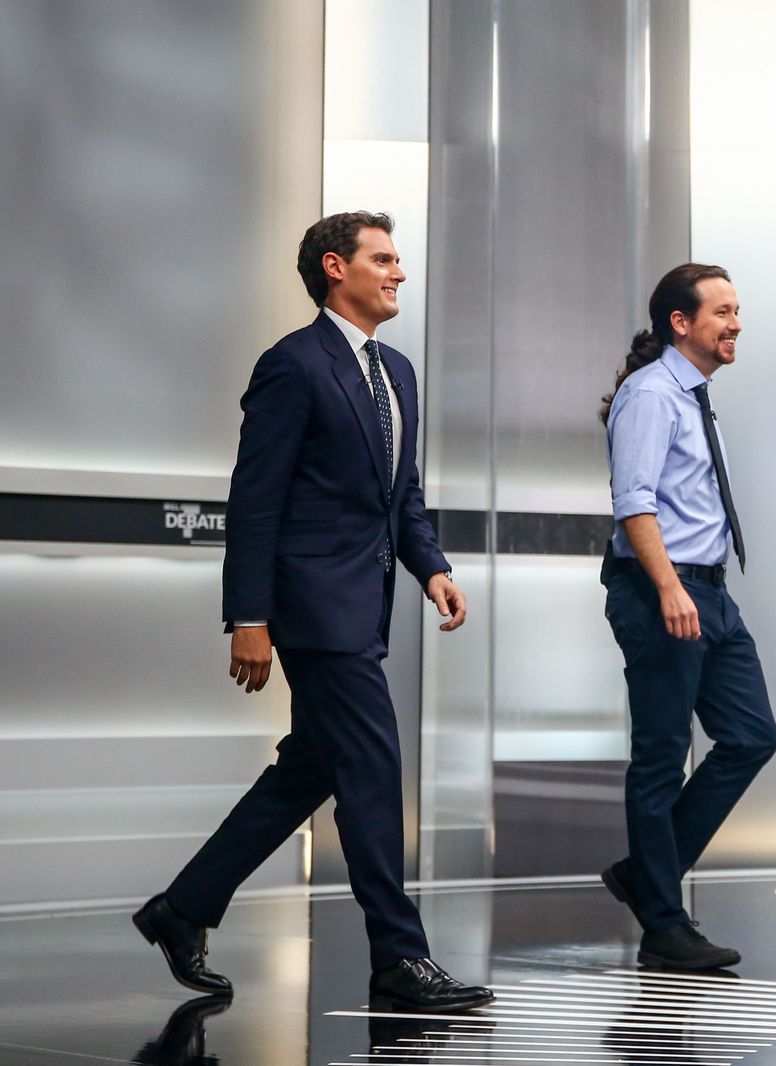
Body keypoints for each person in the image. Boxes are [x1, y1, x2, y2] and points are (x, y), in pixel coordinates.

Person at [133, 212, 492, 1013]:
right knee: (373, 768)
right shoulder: (292, 365)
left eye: (399, 260)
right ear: (336, 268)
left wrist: (431, 567)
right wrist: (249, 617)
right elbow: (254, 500)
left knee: (315, 769)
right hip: (311, 608)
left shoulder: (396, 371)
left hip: (366, 605)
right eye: (384, 259)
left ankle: (181, 909)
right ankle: (400, 958)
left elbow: (402, 498)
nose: (400, 273)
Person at [596, 262, 776, 970]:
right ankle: (664, 923)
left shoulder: (696, 397)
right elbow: (634, 502)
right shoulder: (651, 396)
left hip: (711, 590)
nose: (736, 324)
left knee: (750, 736)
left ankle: (648, 874)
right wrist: (670, 587)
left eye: (738, 311)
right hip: (662, 588)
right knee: (661, 756)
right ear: (682, 322)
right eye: (723, 312)